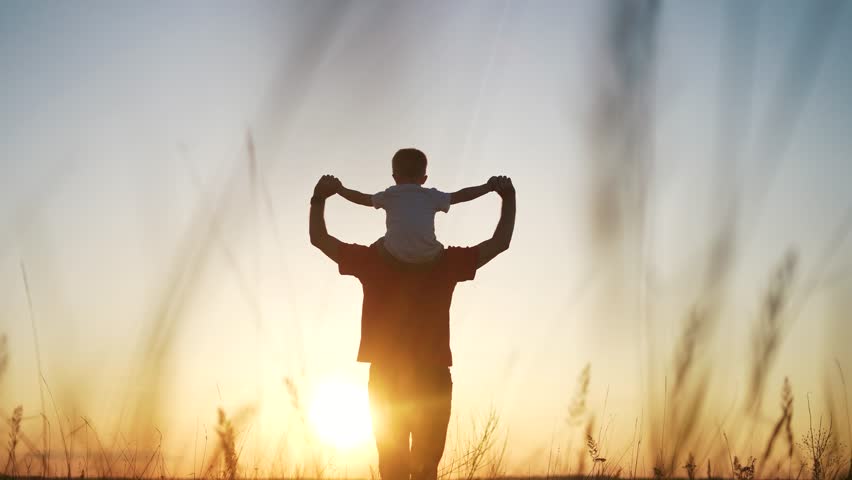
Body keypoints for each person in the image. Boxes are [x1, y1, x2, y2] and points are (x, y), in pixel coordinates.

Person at [308, 171, 516, 480]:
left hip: (386, 376)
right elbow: (500, 243)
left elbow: (319, 239)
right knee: (425, 469)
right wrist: (507, 198)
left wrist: (320, 198)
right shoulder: (445, 263)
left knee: (392, 468)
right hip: (432, 376)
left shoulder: (371, 261)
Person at [336, 148, 496, 263]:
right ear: (424, 178)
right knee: (437, 248)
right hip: (429, 255)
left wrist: (340, 189)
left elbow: (363, 199)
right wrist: (488, 187)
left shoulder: (390, 195)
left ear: (394, 177)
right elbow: (461, 195)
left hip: (393, 254)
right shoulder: (431, 195)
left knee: (378, 244)